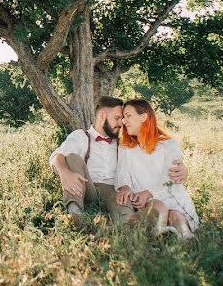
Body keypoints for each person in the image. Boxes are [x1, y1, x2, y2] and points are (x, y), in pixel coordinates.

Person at [49, 96, 188, 225]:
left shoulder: (123, 144)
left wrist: (183, 169)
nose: (121, 123)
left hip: (113, 190)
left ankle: (131, 229)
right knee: (72, 158)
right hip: (87, 186)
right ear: (102, 116)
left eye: (122, 118)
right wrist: (64, 172)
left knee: (124, 213)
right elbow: (56, 157)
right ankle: (75, 216)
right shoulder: (81, 136)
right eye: (117, 118)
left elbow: (147, 157)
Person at [114, 98, 199, 238]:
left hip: (170, 196)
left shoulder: (169, 144)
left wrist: (148, 192)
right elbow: (122, 172)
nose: (124, 121)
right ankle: (160, 236)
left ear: (144, 117)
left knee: (176, 215)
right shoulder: (126, 147)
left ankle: (186, 238)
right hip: (146, 201)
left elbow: (169, 177)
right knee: (158, 207)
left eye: (128, 116)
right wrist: (125, 187)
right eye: (123, 117)